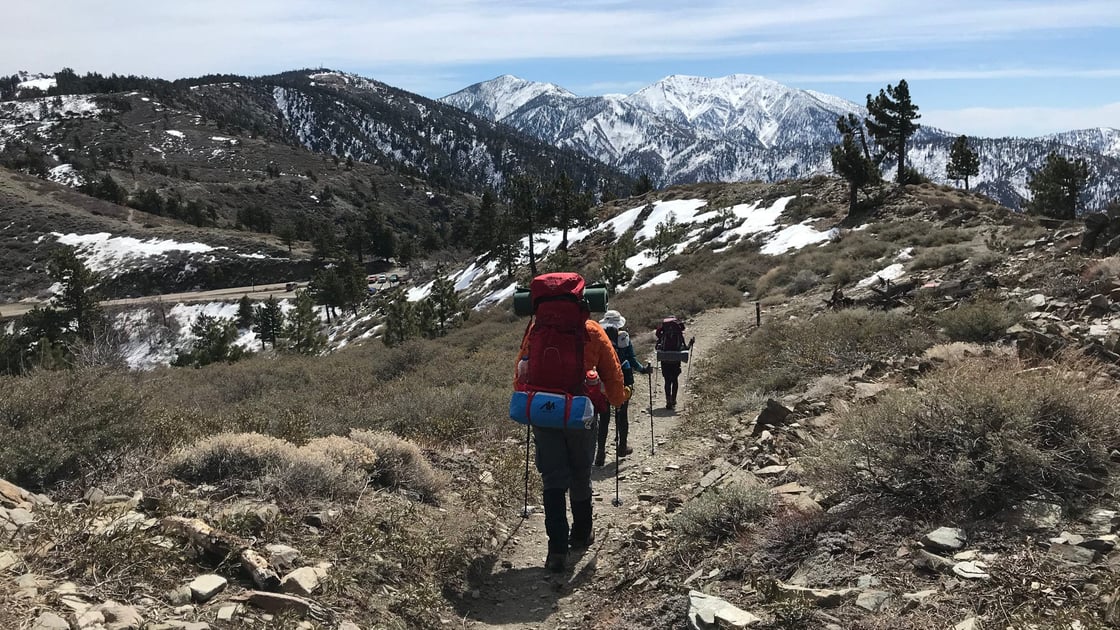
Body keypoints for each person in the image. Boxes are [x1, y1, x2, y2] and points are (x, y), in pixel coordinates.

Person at [514, 289, 629, 573]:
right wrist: (618, 398)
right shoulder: (592, 330)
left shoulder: (537, 329)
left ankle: (556, 551)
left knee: (552, 477)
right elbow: (613, 372)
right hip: (581, 413)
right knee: (580, 472)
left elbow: (520, 371)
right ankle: (581, 534)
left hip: (544, 412)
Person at [595, 309, 652, 466]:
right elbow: (632, 359)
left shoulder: (599, 337)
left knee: (604, 418)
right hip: (622, 380)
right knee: (622, 415)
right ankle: (622, 447)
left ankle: (600, 454)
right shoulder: (623, 337)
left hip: (603, 381)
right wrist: (643, 370)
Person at [655, 317, 691, 409]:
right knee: (675, 380)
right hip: (676, 360)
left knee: (667, 381)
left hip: (665, 360)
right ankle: (673, 400)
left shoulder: (664, 331)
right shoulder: (678, 332)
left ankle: (668, 401)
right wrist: (691, 343)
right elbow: (685, 347)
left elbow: (657, 341)